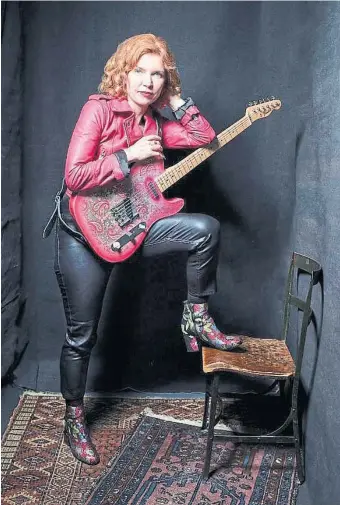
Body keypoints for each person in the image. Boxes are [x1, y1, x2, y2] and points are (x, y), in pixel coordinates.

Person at [45, 34, 243, 466]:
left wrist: (175, 98)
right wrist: (129, 155)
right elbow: (75, 175)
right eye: (140, 71)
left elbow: (203, 135)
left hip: (132, 225)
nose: (148, 82)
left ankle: (196, 317)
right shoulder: (98, 109)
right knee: (82, 336)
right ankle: (74, 417)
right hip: (82, 232)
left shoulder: (155, 120)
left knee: (203, 229)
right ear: (123, 72)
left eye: (158, 75)